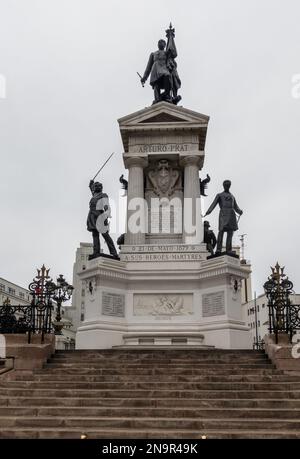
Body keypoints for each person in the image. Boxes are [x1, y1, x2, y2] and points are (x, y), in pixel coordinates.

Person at [204, 180, 243, 255]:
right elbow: (213, 204)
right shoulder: (219, 195)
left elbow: (235, 207)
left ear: (229, 186)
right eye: (225, 185)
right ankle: (218, 249)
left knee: (230, 233)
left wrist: (240, 211)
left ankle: (229, 249)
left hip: (231, 215)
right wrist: (208, 212)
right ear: (223, 186)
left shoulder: (232, 196)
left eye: (228, 185)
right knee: (221, 232)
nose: (227, 186)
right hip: (223, 214)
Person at [87, 180, 118, 259]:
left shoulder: (103, 195)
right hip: (92, 216)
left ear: (101, 188)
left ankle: (114, 253)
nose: (97, 187)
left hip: (99, 216)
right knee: (95, 235)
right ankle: (96, 251)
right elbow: (93, 192)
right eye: (95, 186)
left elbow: (106, 205)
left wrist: (107, 212)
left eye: (99, 186)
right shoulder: (94, 195)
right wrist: (90, 185)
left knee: (105, 235)